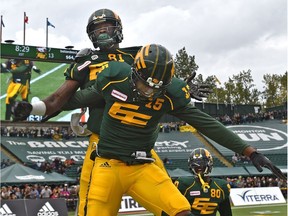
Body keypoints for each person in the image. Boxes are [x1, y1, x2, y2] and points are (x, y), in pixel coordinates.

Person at [13, 44, 286, 215]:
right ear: (134, 73)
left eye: (157, 86)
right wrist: (34, 109)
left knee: (180, 211)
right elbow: (67, 100)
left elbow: (205, 122)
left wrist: (249, 151)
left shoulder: (169, 93)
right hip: (107, 167)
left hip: (144, 166)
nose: (149, 90)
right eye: (145, 84)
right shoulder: (115, 79)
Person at [11, 9, 210, 216]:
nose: (103, 33)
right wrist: (38, 109)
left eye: (106, 27)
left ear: (118, 29)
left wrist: (183, 89)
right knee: (88, 205)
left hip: (137, 141)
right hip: (102, 142)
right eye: (97, 29)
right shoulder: (86, 61)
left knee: (169, 198)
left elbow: (162, 80)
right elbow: (59, 99)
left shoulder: (136, 55)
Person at [168, 148, 232, 216]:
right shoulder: (184, 184)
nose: (198, 166)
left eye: (201, 163)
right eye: (195, 163)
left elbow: (226, 213)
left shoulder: (221, 187)